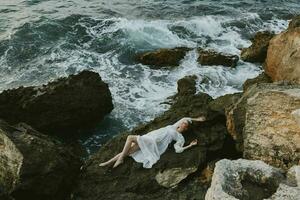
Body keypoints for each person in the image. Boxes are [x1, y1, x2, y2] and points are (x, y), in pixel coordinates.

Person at [99, 116, 206, 168]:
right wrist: (198, 119)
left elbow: (178, 149)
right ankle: (109, 162)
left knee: (130, 137)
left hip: (154, 142)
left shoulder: (180, 137)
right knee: (129, 151)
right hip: (150, 136)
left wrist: (190, 145)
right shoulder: (174, 126)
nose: (183, 123)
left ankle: (120, 159)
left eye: (185, 124)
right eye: (183, 122)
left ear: (186, 127)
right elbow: (186, 117)